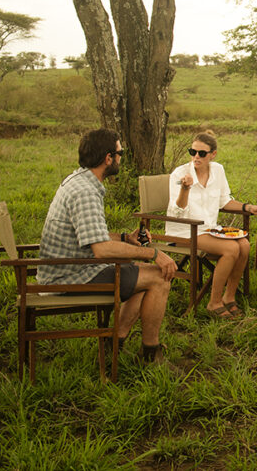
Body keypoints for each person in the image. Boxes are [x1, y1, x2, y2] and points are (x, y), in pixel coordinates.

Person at [39, 128, 177, 363]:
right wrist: (154, 254)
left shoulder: (79, 181)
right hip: (69, 277)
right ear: (108, 158)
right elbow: (101, 249)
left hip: (69, 268)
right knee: (159, 277)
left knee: (138, 271)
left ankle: (116, 342)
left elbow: (91, 235)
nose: (122, 158)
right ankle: (150, 353)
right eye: (120, 153)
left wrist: (125, 238)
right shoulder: (85, 192)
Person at [166, 130, 257, 319]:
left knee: (244, 245)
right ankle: (213, 302)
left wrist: (249, 207)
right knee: (231, 249)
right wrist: (185, 189)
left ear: (213, 154)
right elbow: (177, 212)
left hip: (208, 229)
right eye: (192, 152)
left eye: (202, 153)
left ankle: (229, 296)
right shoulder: (180, 174)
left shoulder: (218, 170)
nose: (196, 157)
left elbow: (224, 201)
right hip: (185, 230)